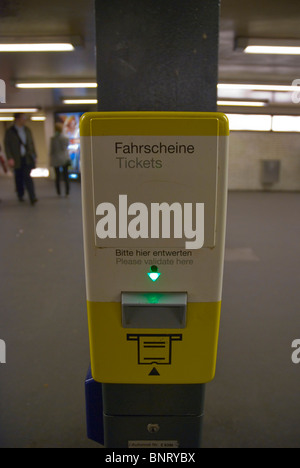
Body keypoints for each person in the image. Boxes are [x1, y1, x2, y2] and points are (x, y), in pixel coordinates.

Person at [4, 113, 38, 205]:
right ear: (17, 119)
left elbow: (31, 143)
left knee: (27, 176)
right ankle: (20, 193)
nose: (25, 120)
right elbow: (7, 146)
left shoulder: (27, 130)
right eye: (23, 118)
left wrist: (34, 156)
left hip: (27, 157)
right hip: (16, 158)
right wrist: (10, 158)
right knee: (18, 177)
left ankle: (32, 196)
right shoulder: (10, 131)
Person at [49, 123, 70, 197]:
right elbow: (66, 147)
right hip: (64, 158)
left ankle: (59, 192)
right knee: (66, 176)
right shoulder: (65, 138)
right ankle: (67, 192)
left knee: (57, 176)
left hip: (56, 159)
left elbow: (52, 150)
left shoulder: (53, 139)